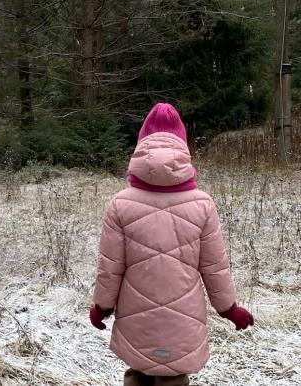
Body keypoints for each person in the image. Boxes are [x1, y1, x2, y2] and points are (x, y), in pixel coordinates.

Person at [89, 103, 254, 386]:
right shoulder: (202, 204)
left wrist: (102, 306)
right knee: (174, 376)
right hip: (184, 316)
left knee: (139, 372)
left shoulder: (121, 204)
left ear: (141, 146)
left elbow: (110, 267)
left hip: (135, 315)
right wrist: (228, 308)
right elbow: (215, 267)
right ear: (183, 148)